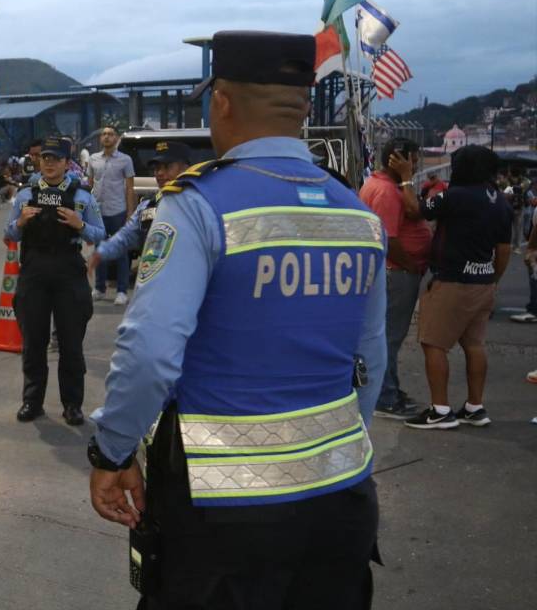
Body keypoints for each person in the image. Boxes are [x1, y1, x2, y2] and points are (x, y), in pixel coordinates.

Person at [89, 31, 386, 609]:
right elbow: (369, 363)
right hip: (341, 498)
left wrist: (113, 451)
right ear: (300, 108)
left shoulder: (198, 203)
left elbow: (150, 353)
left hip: (221, 514)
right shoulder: (357, 215)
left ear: (220, 102)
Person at [406, 145, 513, 430]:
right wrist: (493, 279)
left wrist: (406, 179)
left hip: (452, 280)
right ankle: (474, 407)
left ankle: (440, 410)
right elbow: (504, 248)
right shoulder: (500, 201)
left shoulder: (455, 196)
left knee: (433, 342)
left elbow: (418, 210)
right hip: (483, 281)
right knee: (474, 345)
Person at [5, 136, 104, 425]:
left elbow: (100, 233)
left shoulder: (82, 196)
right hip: (34, 268)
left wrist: (80, 225)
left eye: (55, 159)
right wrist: (20, 223)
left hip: (69, 269)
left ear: (66, 162)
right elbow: (9, 234)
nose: (49, 163)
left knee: (71, 343)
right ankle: (31, 401)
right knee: (33, 342)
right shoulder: (25, 195)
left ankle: (72, 404)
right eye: (45, 158)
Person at [358, 138, 430, 420]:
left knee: (387, 335)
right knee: (390, 337)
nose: (416, 163)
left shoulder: (378, 184)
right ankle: (385, 397)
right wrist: (412, 265)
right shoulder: (387, 191)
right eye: (413, 158)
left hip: (393, 271)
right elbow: (390, 238)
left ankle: (390, 389)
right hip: (396, 272)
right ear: (399, 159)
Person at [88, 140, 192, 282]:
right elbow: (126, 236)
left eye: (167, 167)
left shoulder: (198, 204)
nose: (160, 173)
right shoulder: (148, 205)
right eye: (156, 168)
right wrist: (100, 253)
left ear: (185, 168)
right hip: (155, 284)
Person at [87, 125, 136, 305]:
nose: (107, 137)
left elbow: (130, 187)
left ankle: (122, 291)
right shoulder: (93, 159)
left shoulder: (125, 160)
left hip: (118, 210)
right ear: (100, 138)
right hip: (98, 211)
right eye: (104, 134)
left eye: (111, 134)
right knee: (99, 249)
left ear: (116, 138)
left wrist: (130, 212)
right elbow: (89, 184)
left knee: (121, 251)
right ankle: (99, 288)